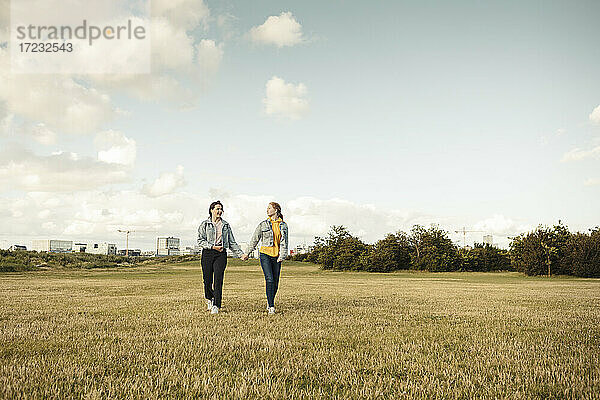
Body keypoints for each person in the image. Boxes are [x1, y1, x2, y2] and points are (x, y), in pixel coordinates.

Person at [197, 201, 244, 314]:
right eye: (217, 209)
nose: (219, 211)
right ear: (211, 210)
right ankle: (209, 298)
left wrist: (240, 254)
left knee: (218, 279)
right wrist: (212, 247)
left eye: (221, 209)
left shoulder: (226, 225)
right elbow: (200, 240)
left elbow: (232, 242)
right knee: (207, 280)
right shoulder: (205, 224)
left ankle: (216, 305)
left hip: (221, 254)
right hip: (208, 253)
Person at [242, 202, 288, 314]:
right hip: (265, 254)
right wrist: (247, 253)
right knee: (270, 279)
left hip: (277, 256)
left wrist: (282, 256)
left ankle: (270, 301)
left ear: (276, 210)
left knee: (276, 282)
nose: (267, 210)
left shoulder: (283, 225)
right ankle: (271, 306)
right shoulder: (263, 224)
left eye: (269, 208)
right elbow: (255, 239)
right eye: (267, 208)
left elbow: (284, 242)